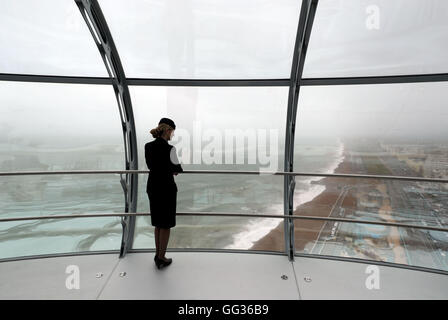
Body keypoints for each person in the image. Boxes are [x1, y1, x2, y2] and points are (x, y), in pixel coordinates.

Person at [145, 117, 183, 269]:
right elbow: (177, 169)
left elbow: (150, 166)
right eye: (172, 132)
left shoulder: (148, 146)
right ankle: (162, 258)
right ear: (168, 130)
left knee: (158, 224)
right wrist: (170, 169)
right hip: (166, 189)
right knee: (165, 225)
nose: (172, 135)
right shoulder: (170, 149)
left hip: (153, 187)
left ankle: (157, 254)